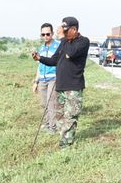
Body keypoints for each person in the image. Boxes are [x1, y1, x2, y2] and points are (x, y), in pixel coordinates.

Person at [32, 17, 90, 148]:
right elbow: (54, 60)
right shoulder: (64, 43)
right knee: (60, 117)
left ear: (74, 29)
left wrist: (63, 37)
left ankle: (65, 145)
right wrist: (40, 58)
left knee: (70, 116)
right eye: (62, 29)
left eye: (65, 29)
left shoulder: (83, 42)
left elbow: (70, 54)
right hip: (61, 86)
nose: (62, 32)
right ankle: (63, 137)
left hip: (73, 87)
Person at [32, 22, 61, 133]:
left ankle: (53, 127)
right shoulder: (41, 48)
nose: (45, 37)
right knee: (44, 103)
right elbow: (40, 66)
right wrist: (36, 81)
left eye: (47, 34)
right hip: (42, 80)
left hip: (53, 78)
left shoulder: (58, 46)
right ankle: (47, 124)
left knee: (51, 103)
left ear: (52, 33)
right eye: (43, 35)